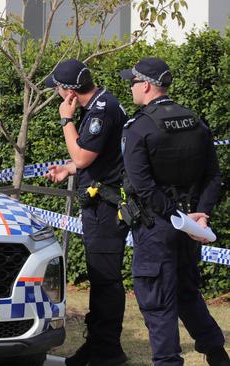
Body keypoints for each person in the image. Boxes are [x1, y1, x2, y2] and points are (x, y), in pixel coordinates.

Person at [120, 57, 229, 366]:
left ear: (146, 85)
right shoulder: (196, 122)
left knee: (156, 300)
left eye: (133, 82)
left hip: (158, 226)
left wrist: (174, 217)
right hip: (191, 226)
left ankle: (168, 362)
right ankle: (216, 353)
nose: (131, 88)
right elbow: (213, 176)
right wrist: (200, 214)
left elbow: (143, 187)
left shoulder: (138, 128)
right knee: (186, 291)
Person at [44, 59, 129, 366]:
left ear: (68, 91)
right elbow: (93, 160)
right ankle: (99, 347)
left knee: (105, 278)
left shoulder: (100, 111)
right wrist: (69, 169)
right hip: (101, 203)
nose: (56, 95)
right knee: (101, 276)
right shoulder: (102, 103)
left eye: (56, 89)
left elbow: (81, 155)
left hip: (105, 208)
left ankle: (107, 351)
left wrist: (66, 120)